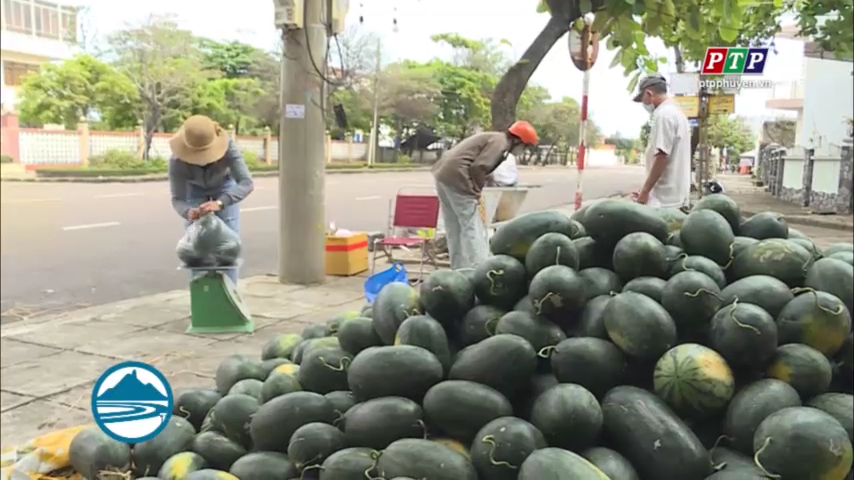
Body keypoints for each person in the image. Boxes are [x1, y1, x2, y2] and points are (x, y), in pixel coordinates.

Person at [432, 120, 539, 269]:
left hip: (443, 176)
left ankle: (458, 269)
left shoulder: (494, 138)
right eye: (525, 146)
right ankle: (480, 268)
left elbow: (479, 163)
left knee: (454, 227)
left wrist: (488, 179)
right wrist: (476, 190)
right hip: (458, 179)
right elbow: (479, 166)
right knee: (472, 227)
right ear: (517, 140)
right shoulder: (501, 143)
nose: (524, 151)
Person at [168, 115, 255, 284]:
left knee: (229, 247)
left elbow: (246, 183)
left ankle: (229, 293)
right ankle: (201, 292)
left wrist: (221, 203)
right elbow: (177, 198)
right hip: (194, 190)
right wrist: (188, 212)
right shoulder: (177, 160)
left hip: (224, 186)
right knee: (195, 246)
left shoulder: (228, 147)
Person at [632, 74, 692, 209]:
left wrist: (645, 192)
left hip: (665, 201)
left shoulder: (663, 115)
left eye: (643, 99)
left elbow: (661, 156)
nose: (644, 104)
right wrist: (645, 191)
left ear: (649, 94)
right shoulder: (677, 114)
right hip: (675, 197)